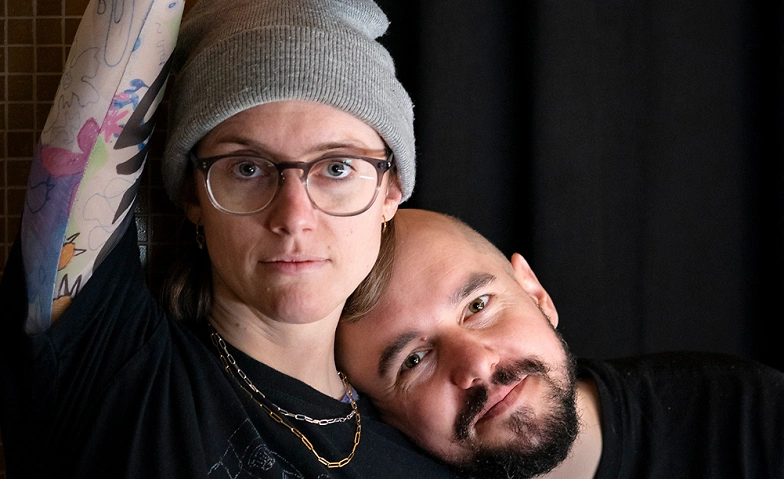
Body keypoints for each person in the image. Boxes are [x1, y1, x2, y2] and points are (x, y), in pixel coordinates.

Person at [0, 0, 456, 477]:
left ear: (391, 192)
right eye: (247, 168)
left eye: (337, 168)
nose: (293, 218)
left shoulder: (428, 457)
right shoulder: (112, 367)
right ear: (193, 195)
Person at [336, 208, 784, 479]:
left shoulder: (750, 416)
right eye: (414, 360)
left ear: (535, 294)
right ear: (377, 411)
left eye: (478, 306)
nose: (476, 364)